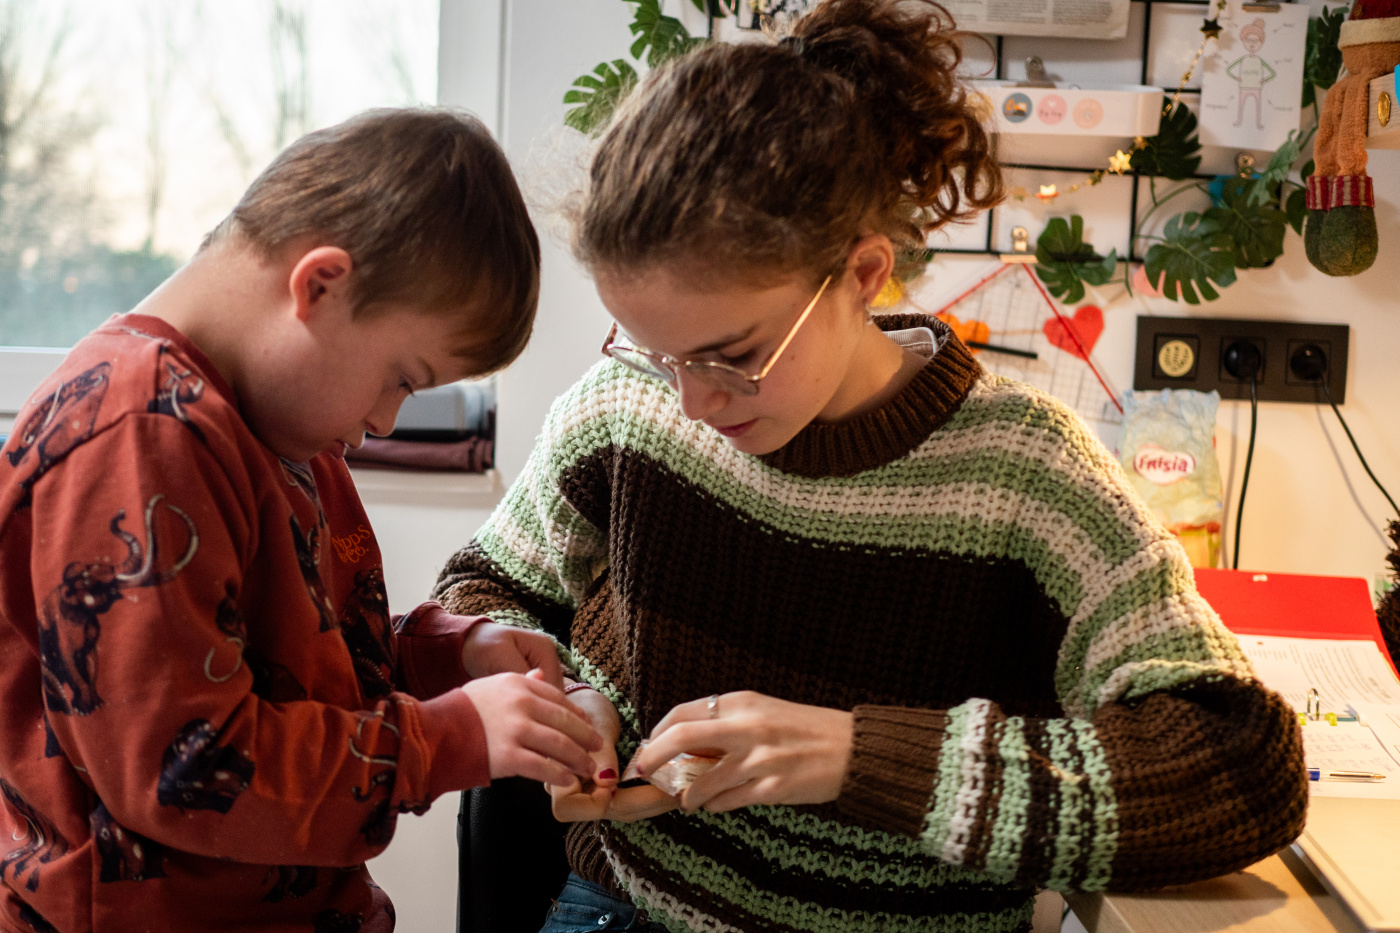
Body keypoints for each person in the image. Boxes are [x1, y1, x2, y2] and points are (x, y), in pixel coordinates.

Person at [433, 2, 1309, 931]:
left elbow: (1240, 763)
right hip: (625, 908)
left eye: (733, 355)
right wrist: (563, 698)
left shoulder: (1025, 476)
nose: (691, 400)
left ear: (860, 274)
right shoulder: (623, 409)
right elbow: (486, 590)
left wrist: (864, 758)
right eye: (657, 353)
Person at [0, 108, 607, 933]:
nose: (387, 420)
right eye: (401, 375)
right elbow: (190, 767)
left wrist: (447, 656)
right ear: (319, 284)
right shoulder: (141, 432)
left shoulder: (281, 431)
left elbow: (290, 664)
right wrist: (448, 738)